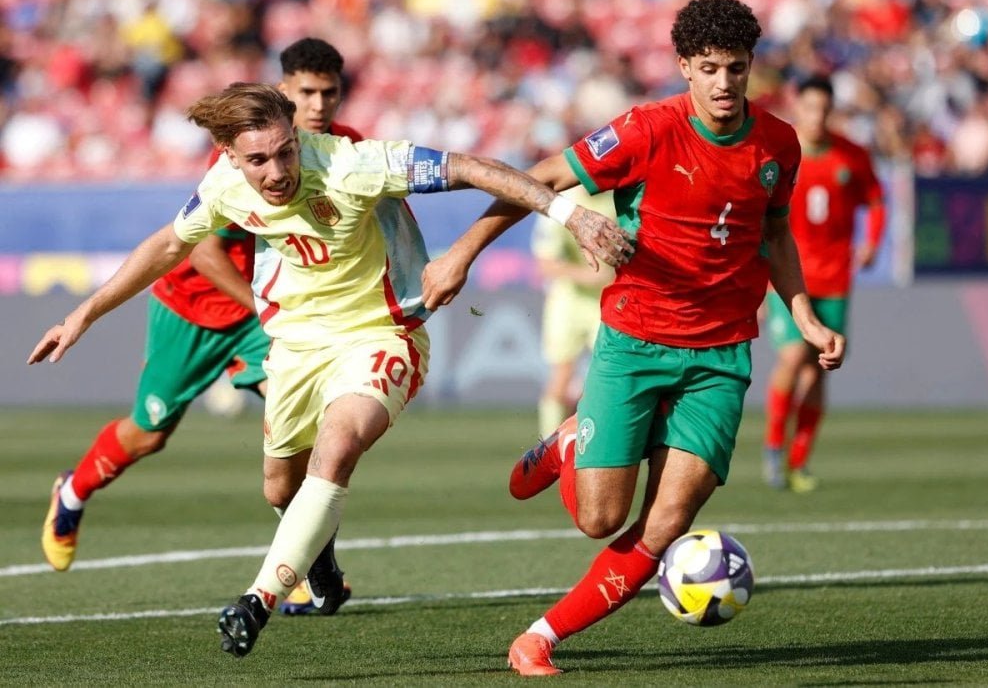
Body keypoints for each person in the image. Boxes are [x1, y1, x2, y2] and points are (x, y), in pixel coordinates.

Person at [28, 81, 632, 658]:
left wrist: (569, 215)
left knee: (338, 446)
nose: (277, 171)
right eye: (259, 160)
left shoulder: (351, 165)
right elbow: (168, 246)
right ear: (230, 157)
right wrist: (85, 313)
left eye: (285, 151)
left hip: (381, 334)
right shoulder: (223, 187)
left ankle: (256, 599)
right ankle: (316, 558)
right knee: (278, 489)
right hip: (294, 344)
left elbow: (471, 167)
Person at [421, 0, 845, 676]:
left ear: (751, 68)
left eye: (735, 68)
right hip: (635, 342)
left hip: (720, 357)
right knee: (598, 518)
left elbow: (773, 232)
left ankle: (539, 638)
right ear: (684, 67)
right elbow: (545, 178)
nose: (723, 84)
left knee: (666, 521)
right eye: (708, 68)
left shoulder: (778, 144)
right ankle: (569, 440)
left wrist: (803, 313)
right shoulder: (646, 130)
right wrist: (462, 252)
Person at [39, 37, 362, 619]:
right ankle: (73, 491)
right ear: (283, 92)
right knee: (148, 432)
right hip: (194, 307)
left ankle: (313, 569)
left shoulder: (340, 150)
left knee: (299, 428)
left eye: (328, 92)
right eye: (306, 92)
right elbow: (200, 254)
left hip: (264, 320)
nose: (318, 104)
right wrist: (85, 312)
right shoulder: (243, 159)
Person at [761, 75, 885, 492]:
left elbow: (876, 199)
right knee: (793, 357)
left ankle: (799, 462)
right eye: (809, 108)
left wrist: (871, 243)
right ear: (797, 108)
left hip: (834, 279)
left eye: (823, 110)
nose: (816, 117)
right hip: (787, 279)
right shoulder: (778, 151)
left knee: (818, 371)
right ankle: (774, 448)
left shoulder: (850, 155)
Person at [532, 185, 615, 437]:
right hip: (568, 301)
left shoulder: (617, 200)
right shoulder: (562, 205)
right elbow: (545, 264)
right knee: (561, 376)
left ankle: (593, 441)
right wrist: (588, 276)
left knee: (606, 380)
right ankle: (549, 448)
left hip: (609, 300)